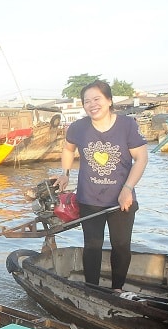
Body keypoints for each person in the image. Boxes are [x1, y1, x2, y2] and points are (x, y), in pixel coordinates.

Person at [53, 80, 148, 294]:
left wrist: (127, 188)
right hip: (89, 198)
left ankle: (117, 289)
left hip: (121, 200)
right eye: (87, 101)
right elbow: (68, 150)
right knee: (92, 246)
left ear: (109, 100)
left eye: (97, 99)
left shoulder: (127, 125)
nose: (92, 104)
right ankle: (92, 289)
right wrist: (65, 173)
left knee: (121, 245)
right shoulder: (78, 127)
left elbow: (141, 158)